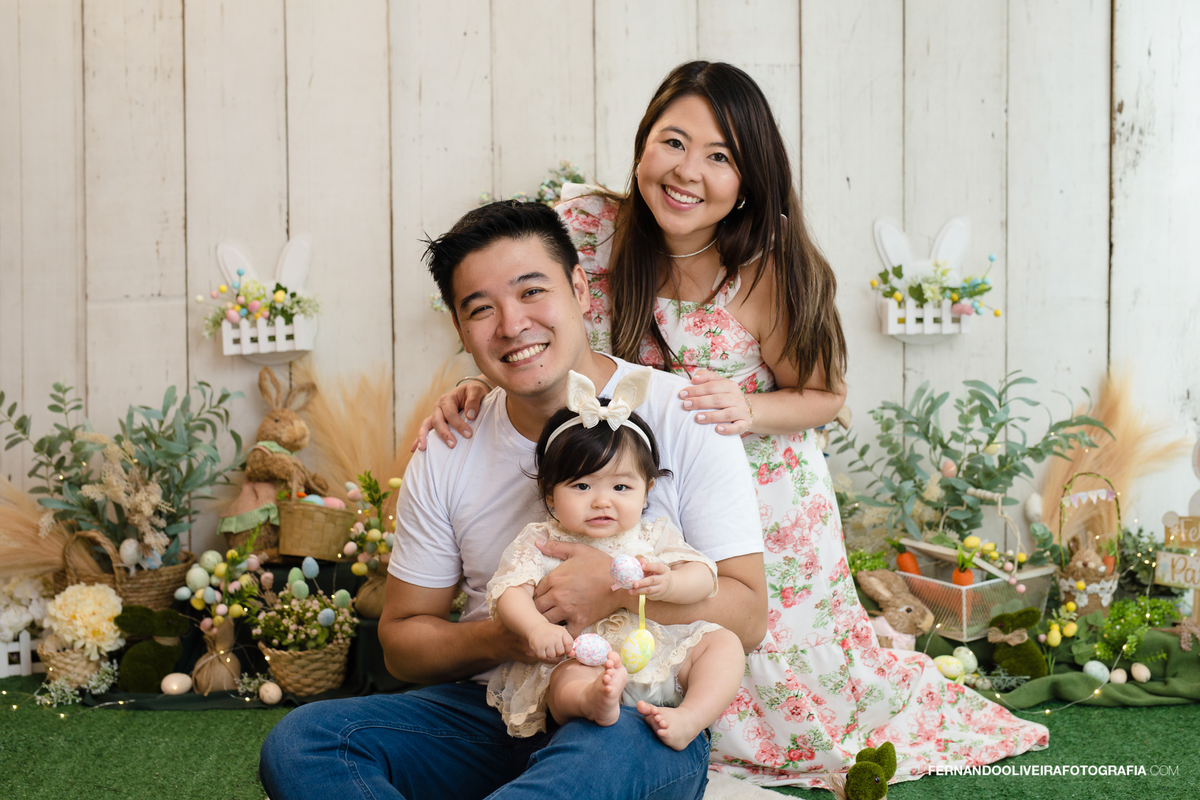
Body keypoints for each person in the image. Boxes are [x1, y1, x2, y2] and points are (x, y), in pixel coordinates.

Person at [418, 61, 1048, 786]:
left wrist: (751, 408)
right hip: (634, 480)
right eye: (673, 142)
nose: (688, 172)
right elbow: (527, 312)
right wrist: (475, 386)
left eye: (720, 157)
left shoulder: (765, 267)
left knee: (747, 643)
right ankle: (644, 724)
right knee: (643, 620)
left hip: (761, 485)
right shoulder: (594, 229)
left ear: (749, 179)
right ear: (642, 144)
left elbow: (823, 394)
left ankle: (704, 739)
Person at [258, 199, 767, 800]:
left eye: (532, 292)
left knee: (604, 751)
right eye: (481, 308)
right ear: (459, 328)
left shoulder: (682, 414)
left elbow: (748, 613)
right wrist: (513, 635)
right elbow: (402, 642)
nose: (511, 324)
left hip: (627, 713)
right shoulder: (449, 445)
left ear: (578, 287)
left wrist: (611, 587)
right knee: (304, 742)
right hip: (494, 713)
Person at [488, 367, 745, 751]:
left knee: (724, 646)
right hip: (584, 658)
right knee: (563, 682)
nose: (602, 500)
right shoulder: (542, 540)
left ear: (647, 491)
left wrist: (671, 583)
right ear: (549, 493)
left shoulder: (652, 535)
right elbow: (510, 590)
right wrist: (536, 630)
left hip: (661, 658)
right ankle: (594, 701)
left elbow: (705, 577)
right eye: (582, 485)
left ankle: (689, 716)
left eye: (621, 486)